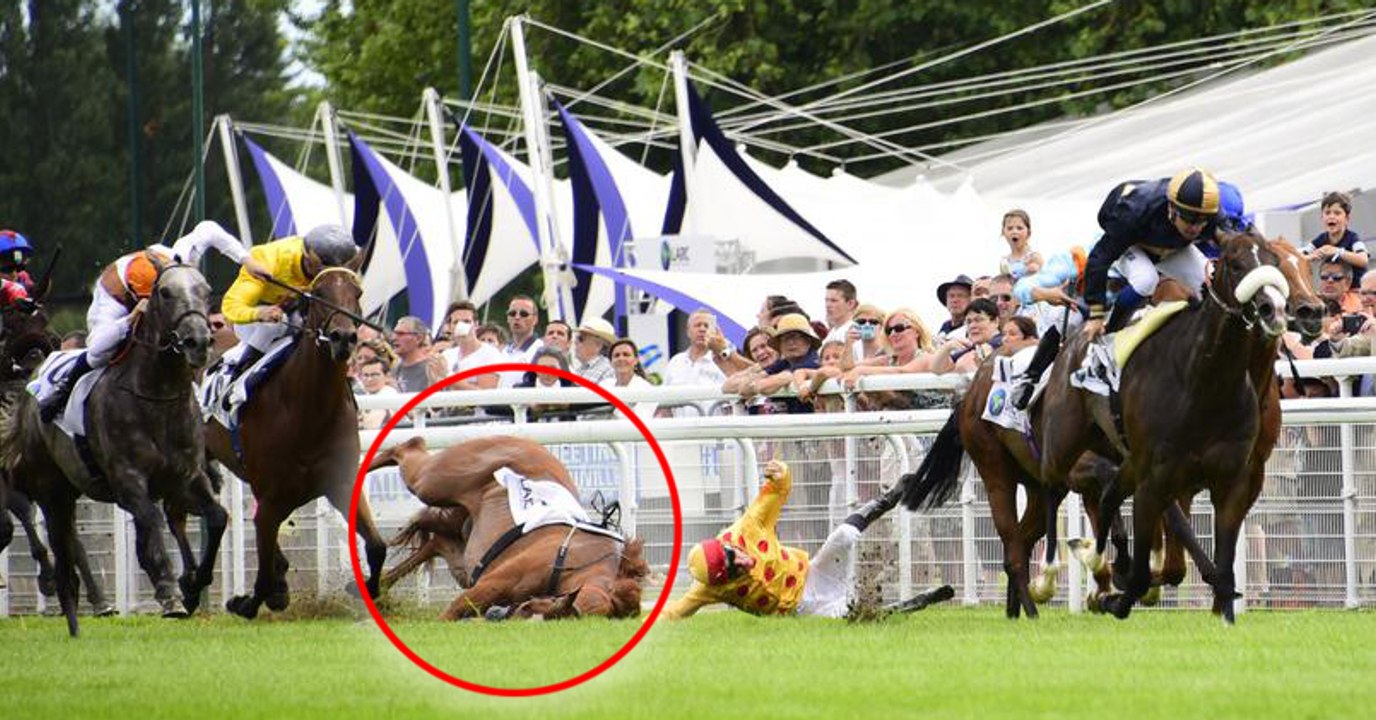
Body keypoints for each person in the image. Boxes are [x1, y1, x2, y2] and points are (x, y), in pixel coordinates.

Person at [39, 220, 272, 421]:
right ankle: (62, 390)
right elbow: (98, 347)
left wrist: (246, 260)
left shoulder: (184, 256)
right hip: (120, 302)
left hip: (156, 284)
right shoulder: (129, 290)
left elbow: (208, 229)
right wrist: (131, 318)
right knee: (100, 352)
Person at [665, 460, 953, 619]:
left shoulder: (744, 529)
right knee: (855, 618)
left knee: (842, 536)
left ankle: (894, 494)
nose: (742, 561)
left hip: (814, 571)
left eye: (734, 554)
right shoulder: (707, 589)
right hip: (805, 609)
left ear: (725, 544)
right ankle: (921, 601)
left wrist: (780, 472)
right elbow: (676, 612)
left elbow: (778, 490)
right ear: (719, 580)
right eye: (733, 569)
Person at [1084, 168, 1230, 334]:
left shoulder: (1212, 214)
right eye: (1189, 218)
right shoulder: (1133, 212)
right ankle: (1110, 330)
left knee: (1209, 280)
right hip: (1131, 241)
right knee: (1146, 279)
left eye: (1202, 220)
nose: (1195, 228)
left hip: (1170, 245)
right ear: (1171, 208)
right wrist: (1095, 314)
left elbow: (1235, 243)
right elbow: (1099, 259)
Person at [218, 223, 357, 379]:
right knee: (275, 325)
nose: (326, 276)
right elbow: (231, 307)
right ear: (308, 257)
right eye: (320, 269)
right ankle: (240, 371)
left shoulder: (339, 273)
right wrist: (260, 313)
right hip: (252, 320)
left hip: (293, 312)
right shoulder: (267, 260)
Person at [740, 313, 821, 415]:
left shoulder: (813, 362)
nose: (791, 342)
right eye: (785, 339)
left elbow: (764, 387)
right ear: (780, 345)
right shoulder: (785, 362)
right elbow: (742, 389)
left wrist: (757, 383)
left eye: (795, 337)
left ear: (808, 341)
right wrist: (755, 375)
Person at [660, 309, 727, 416]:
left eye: (706, 326)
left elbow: (730, 405)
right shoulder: (675, 362)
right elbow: (664, 405)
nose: (702, 329)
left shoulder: (723, 362)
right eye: (697, 325)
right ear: (688, 331)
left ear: (714, 332)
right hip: (680, 429)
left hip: (714, 430)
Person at [1303, 191, 1367, 284]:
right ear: (1322, 217)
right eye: (1327, 213)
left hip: (1355, 289)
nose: (1331, 217)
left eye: (1337, 213)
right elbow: (1299, 256)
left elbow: (1363, 259)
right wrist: (1310, 257)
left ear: (1347, 218)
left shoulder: (1352, 238)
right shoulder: (1320, 239)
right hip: (1333, 289)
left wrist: (1337, 251)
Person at [439, 301, 502, 392]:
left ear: (476, 325)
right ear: (450, 327)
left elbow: (486, 395)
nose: (461, 326)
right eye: (456, 322)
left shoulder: (490, 353)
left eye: (466, 321)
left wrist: (448, 377)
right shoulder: (446, 355)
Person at [931, 298, 999, 374]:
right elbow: (937, 370)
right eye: (969, 322)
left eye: (979, 320)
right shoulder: (971, 348)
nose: (972, 325)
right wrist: (948, 347)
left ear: (995, 321)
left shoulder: (1005, 342)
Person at [501, 295, 543, 386]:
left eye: (524, 314)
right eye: (512, 313)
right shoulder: (502, 351)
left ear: (535, 319)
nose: (517, 317)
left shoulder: (541, 351)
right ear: (507, 318)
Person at [997, 209, 1042, 281]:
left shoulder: (1034, 257)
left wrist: (1036, 272)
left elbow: (1047, 280)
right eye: (1010, 228)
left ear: (1028, 232)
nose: (1014, 231)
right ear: (1003, 232)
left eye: (1019, 228)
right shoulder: (1004, 261)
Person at [570, 318, 616, 384]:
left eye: (581, 338)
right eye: (577, 337)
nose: (575, 342)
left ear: (598, 345)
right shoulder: (579, 369)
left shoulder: (609, 370)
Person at [935, 274, 973, 342]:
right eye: (951, 296)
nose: (955, 300)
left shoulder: (974, 326)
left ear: (971, 299)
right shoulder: (944, 328)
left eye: (960, 296)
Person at [822, 279, 858, 345]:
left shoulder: (855, 333)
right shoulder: (832, 332)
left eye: (834, 300)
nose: (828, 305)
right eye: (826, 300)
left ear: (850, 304)